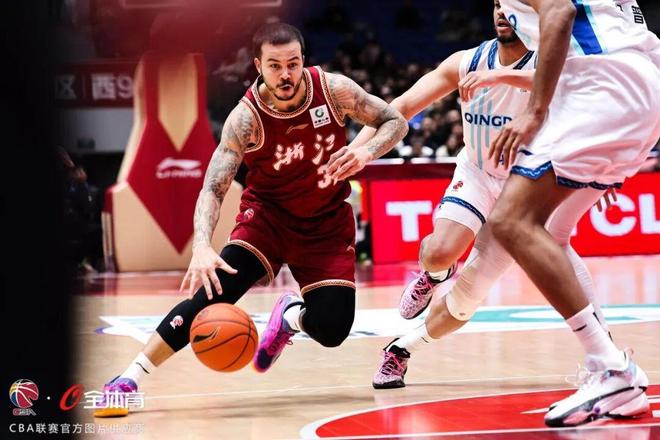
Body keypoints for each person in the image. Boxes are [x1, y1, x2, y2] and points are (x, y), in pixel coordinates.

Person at [94, 22, 408, 417]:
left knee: (333, 330)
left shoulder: (334, 90)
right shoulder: (245, 119)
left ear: (303, 60)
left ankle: (289, 318)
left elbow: (395, 121)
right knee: (212, 295)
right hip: (267, 221)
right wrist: (202, 245)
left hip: (326, 224)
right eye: (275, 66)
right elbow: (213, 188)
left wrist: (366, 153)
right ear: (258, 66)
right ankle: (127, 379)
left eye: (293, 63)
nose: (286, 74)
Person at [328, 0, 612, 401]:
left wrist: (596, 173)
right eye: (496, 4)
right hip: (478, 173)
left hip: (525, 188)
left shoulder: (550, 62)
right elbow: (400, 108)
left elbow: (581, 101)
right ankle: (434, 275)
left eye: (510, 5)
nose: (501, 12)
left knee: (466, 302)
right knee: (438, 253)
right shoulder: (467, 61)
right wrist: (360, 152)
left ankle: (400, 349)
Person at [484, 0, 659, 427]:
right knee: (553, 231)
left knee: (511, 220)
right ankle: (610, 369)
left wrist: (535, 111)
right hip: (631, 87)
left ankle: (612, 367)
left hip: (603, 86)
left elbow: (559, 11)